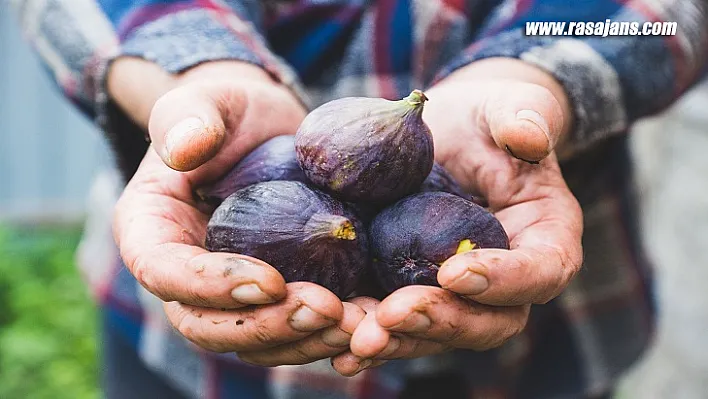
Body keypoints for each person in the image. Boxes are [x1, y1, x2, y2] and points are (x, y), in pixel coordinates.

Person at [11, 0, 707, 398]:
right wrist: (192, 69)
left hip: (545, 348)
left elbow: (654, 16)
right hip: (189, 350)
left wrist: (538, 77)